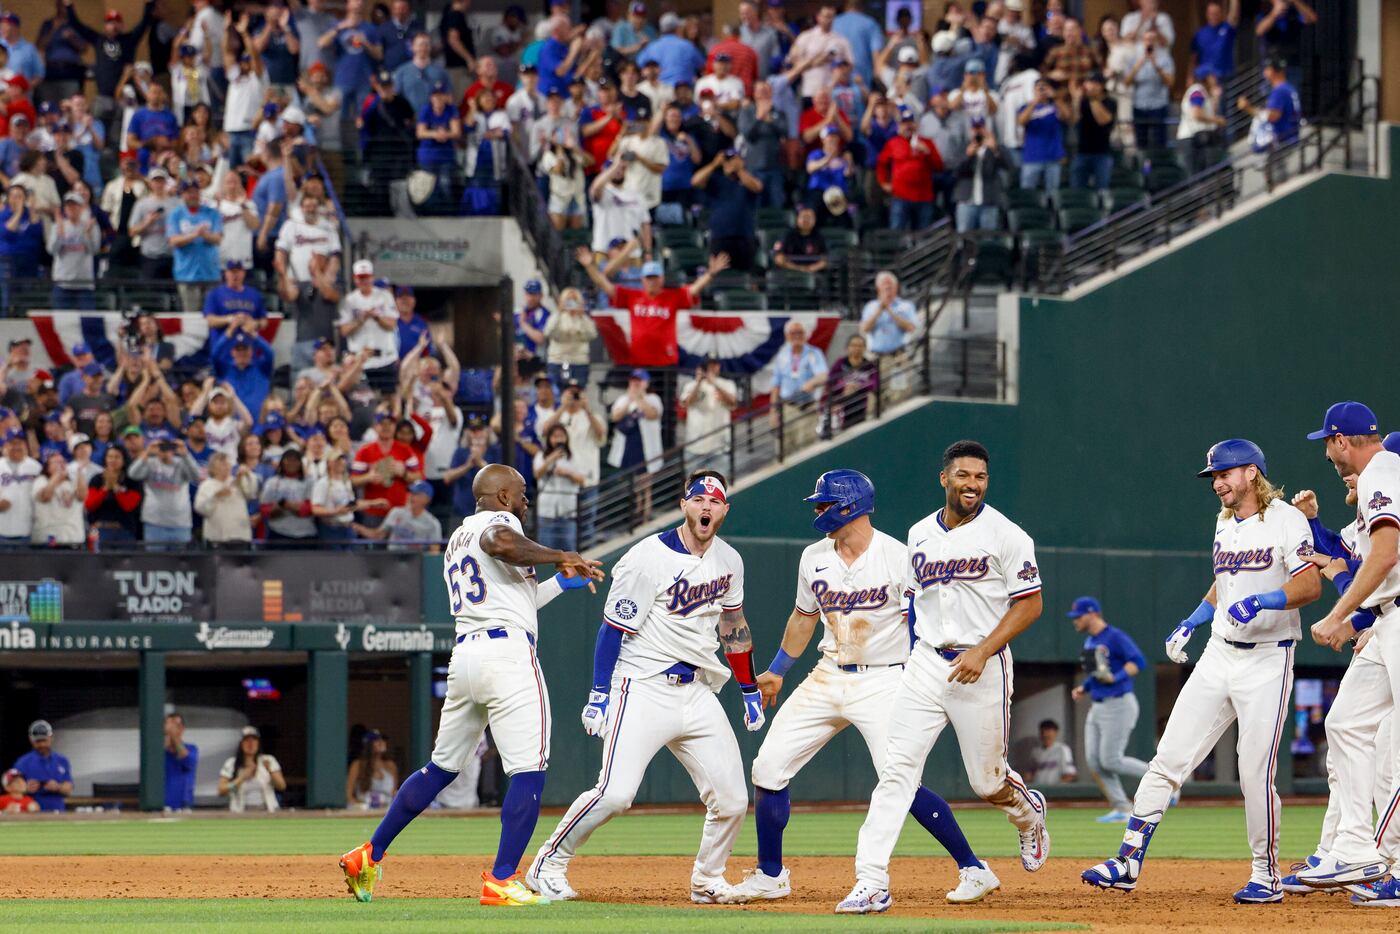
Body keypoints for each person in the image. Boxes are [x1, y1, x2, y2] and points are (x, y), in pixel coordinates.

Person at [340, 464, 602, 906]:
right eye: (520, 493)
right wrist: (560, 553)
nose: (525, 501)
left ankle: (368, 853)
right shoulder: (501, 526)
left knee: (441, 767)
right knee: (529, 769)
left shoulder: (457, 537)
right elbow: (501, 542)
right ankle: (502, 879)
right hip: (508, 656)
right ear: (501, 497)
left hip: (467, 657)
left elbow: (515, 597)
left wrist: (560, 581)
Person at [727, 470, 992, 904]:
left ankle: (973, 868)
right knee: (768, 768)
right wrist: (778, 669)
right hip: (828, 673)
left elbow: (922, 621)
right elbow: (803, 617)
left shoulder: (898, 556)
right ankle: (771, 876)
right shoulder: (814, 556)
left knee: (899, 780)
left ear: (850, 505)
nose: (817, 511)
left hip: (886, 678)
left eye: (824, 503)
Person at [1084, 438, 1319, 903]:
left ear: (1252, 473)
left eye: (1224, 473)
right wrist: (1194, 619)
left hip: (1269, 657)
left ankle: (1266, 874)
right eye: (1212, 476)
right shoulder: (1224, 521)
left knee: (1254, 771)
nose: (1216, 483)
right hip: (1219, 653)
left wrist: (1267, 599)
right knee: (1168, 758)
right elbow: (1226, 582)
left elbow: (1310, 583)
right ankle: (1127, 860)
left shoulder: (1287, 520)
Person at [528, 470, 760, 903]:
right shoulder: (645, 557)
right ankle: (548, 864)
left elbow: (733, 624)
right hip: (643, 685)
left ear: (725, 510)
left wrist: (748, 688)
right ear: (684, 505)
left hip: (697, 690)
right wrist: (599, 695)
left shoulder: (730, 561)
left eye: (715, 501)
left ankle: (708, 879)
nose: (706, 507)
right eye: (698, 499)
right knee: (615, 794)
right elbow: (611, 630)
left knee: (731, 800)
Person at [839, 440, 1050, 914]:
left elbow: (1031, 603)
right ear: (945, 479)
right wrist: (914, 652)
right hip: (928, 664)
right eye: (964, 475)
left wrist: (983, 649)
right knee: (895, 771)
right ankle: (871, 881)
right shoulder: (919, 533)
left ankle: (1027, 813)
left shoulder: (1007, 535)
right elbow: (914, 600)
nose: (972, 484)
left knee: (986, 782)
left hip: (983, 666)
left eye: (980, 477)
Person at [1291, 403, 1400, 898]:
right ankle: (1356, 851)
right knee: (1345, 723)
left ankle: (1387, 862)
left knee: (1393, 759)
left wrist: (1339, 615)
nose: (1328, 455)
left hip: (1395, 616)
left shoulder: (1381, 471)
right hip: (1385, 620)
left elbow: (1384, 554)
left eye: (1327, 443)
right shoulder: (1379, 477)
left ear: (1341, 440)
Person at [1067, 596, 1150, 822]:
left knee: (1111, 760)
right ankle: (1122, 809)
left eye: (1078, 616)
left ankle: (1165, 779)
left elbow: (1138, 662)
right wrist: (1084, 687)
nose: (1075, 621)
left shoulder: (1114, 636)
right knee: (1094, 761)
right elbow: (1097, 675)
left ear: (1092, 613)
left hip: (1119, 703)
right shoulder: (1090, 642)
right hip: (1098, 704)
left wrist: (1117, 676)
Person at [574, 248, 726, 368]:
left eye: (655, 278)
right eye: (649, 278)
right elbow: (604, 285)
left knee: (666, 404)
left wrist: (710, 274)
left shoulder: (673, 296)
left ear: (662, 279)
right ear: (642, 280)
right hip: (639, 360)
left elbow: (693, 289)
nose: (652, 282)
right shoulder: (632, 296)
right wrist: (589, 267)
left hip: (666, 360)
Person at [692, 147, 763, 270]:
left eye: (733, 160)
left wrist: (740, 170)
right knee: (719, 274)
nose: (730, 164)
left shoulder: (747, 178)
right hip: (720, 236)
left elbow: (757, 187)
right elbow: (695, 181)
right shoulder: (716, 179)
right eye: (728, 161)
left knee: (746, 275)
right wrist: (714, 164)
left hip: (744, 236)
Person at [608, 369, 663, 523]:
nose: (636, 384)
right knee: (634, 479)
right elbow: (615, 416)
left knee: (646, 479)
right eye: (633, 381)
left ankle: (646, 509)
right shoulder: (623, 399)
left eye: (639, 381)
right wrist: (629, 399)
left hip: (646, 445)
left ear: (646, 383)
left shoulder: (653, 398)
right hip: (629, 443)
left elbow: (653, 414)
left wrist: (639, 398)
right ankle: (637, 509)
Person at [877, 107, 943, 231]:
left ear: (916, 125)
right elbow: (881, 164)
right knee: (897, 233)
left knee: (924, 235)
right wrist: (883, 183)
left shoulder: (927, 142)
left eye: (910, 122)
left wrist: (927, 152)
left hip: (923, 197)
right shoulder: (893, 143)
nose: (908, 126)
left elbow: (939, 166)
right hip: (901, 196)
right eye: (904, 123)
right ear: (899, 126)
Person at [768, 321, 829, 454]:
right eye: (793, 333)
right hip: (788, 407)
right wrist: (773, 412)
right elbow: (775, 385)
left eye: (800, 332)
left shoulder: (814, 353)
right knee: (784, 448)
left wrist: (812, 382)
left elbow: (823, 375)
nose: (797, 336)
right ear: (787, 336)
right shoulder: (781, 356)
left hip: (807, 406)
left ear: (805, 335)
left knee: (807, 448)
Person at [532, 424, 585, 551]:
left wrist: (568, 473)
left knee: (569, 550)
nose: (558, 440)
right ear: (549, 439)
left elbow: (582, 480)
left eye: (561, 436)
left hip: (567, 511)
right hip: (546, 510)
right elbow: (537, 474)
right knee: (544, 550)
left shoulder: (574, 456)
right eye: (555, 436)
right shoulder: (541, 456)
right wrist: (552, 458)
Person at [1124, 28, 1174, 150]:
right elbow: (1127, 82)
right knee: (1141, 142)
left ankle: (1160, 167)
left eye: (1152, 39)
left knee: (1160, 142)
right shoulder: (1135, 58)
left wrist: (1156, 65)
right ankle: (1143, 168)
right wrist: (1139, 65)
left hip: (1158, 105)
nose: (1149, 42)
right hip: (1139, 105)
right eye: (1146, 39)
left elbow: (1170, 82)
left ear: (1156, 41)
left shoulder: (1165, 58)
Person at [679, 358, 737, 464]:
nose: (711, 369)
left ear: (719, 366)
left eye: (714, 365)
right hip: (695, 446)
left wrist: (715, 383)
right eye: (708, 366)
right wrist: (699, 382)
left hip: (719, 446)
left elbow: (733, 403)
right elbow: (687, 403)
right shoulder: (691, 386)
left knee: (719, 480)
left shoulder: (727, 384)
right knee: (695, 480)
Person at [1237, 57, 1301, 150]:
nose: (1265, 71)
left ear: (1275, 71)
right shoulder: (1288, 88)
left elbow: (1272, 116)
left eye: (1267, 68)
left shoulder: (1280, 90)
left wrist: (1248, 108)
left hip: (1284, 142)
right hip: (1290, 137)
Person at [1018, 78, 1070, 192]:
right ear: (1033, 90)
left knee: (1052, 194)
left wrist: (1056, 97)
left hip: (1053, 157)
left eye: (1044, 87)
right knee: (1028, 194)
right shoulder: (1025, 107)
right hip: (1032, 157)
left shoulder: (1056, 105)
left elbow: (1067, 117)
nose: (1042, 90)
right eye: (1039, 88)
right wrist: (1034, 102)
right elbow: (1021, 121)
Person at [219, 726, 286, 812]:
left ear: (258, 743)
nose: (250, 744)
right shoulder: (231, 763)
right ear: (241, 743)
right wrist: (240, 779)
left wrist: (270, 771)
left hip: (267, 810)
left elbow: (282, 786)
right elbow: (221, 790)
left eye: (254, 740)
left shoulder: (268, 760)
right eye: (246, 740)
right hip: (240, 811)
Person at [13, 720, 74, 812]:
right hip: (30, 812)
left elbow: (69, 789)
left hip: (58, 811)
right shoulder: (22, 762)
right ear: (31, 740)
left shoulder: (62, 760)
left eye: (44, 740)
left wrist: (58, 787)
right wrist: (25, 788)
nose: (42, 744)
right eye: (38, 741)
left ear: (51, 738)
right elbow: (11, 791)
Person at [1177, 66, 1226, 176]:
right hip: (1190, 140)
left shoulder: (1204, 92)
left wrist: (1216, 97)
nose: (1215, 78)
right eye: (1212, 76)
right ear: (1206, 78)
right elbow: (1196, 114)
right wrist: (1217, 120)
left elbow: (1209, 111)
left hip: (1199, 139)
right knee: (1196, 176)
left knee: (1204, 174)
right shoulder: (1197, 91)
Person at [1071, 73, 1117, 189]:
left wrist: (1092, 99)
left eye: (1095, 83)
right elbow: (1074, 119)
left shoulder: (1110, 102)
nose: (1092, 86)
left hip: (1102, 152)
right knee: (1077, 189)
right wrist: (1076, 99)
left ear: (1102, 86)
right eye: (1090, 83)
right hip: (1082, 152)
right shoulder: (1083, 101)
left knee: (1102, 189)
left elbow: (1103, 120)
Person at [859, 272, 918, 357]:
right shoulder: (870, 306)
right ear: (878, 288)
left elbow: (911, 328)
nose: (888, 290)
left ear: (896, 287)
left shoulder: (906, 306)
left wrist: (890, 311)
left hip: (899, 354)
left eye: (890, 287)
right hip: (876, 354)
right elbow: (864, 329)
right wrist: (879, 310)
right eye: (885, 287)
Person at [31, 452, 84, 546]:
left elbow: (82, 496)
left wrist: (80, 472)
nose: (61, 464)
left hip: (73, 537)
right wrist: (57, 477)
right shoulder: (40, 481)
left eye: (63, 462)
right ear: (47, 467)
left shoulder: (72, 482)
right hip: (47, 537)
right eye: (56, 462)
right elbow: (45, 496)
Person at [0, 427, 41, 545]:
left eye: (20, 443)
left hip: (26, 531)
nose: (16, 446)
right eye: (12, 443)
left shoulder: (35, 467)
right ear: (5, 445)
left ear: (26, 445)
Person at [347, 730, 399, 809]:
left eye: (383, 740)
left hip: (387, 808)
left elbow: (394, 792)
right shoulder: (358, 765)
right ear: (368, 745)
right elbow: (349, 795)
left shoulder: (391, 765)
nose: (382, 742)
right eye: (377, 740)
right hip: (364, 808)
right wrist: (360, 806)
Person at [1191, 0, 1240, 79]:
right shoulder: (1199, 34)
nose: (1214, 16)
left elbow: (1233, 16)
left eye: (1216, 13)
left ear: (1221, 14)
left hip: (1226, 78)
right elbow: (1193, 57)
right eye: (1211, 14)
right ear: (1207, 14)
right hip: (1205, 79)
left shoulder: (1227, 29)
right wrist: (1190, 77)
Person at [163, 712, 199, 813]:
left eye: (176, 726)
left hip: (184, 807)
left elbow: (188, 762)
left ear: (182, 729)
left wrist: (175, 737)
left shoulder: (192, 749)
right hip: (162, 806)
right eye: (169, 725)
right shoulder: (158, 753)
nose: (171, 729)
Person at [1029, 719, 1077, 785]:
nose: (1045, 734)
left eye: (1048, 731)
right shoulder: (1035, 752)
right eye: (1042, 731)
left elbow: (1070, 774)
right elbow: (1029, 774)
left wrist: (1056, 789)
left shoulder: (1062, 749)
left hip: (1055, 792)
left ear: (1055, 732)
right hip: (1038, 792)